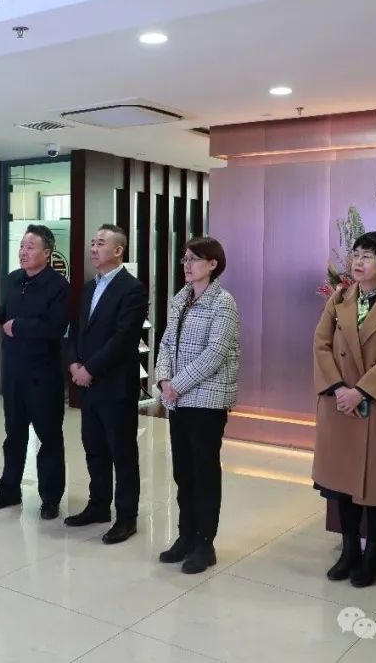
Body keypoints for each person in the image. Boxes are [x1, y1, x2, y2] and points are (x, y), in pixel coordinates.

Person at [312, 232, 376, 587]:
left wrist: (361, 392)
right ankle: (349, 551)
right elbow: (321, 344)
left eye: (367, 256)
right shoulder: (340, 296)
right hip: (340, 404)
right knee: (342, 484)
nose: (358, 261)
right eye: (356, 254)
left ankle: (373, 555)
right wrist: (340, 389)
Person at [155, 237, 241, 574]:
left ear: (213, 264)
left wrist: (176, 384)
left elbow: (215, 353)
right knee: (183, 471)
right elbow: (166, 343)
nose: (187, 265)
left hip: (206, 399)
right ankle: (186, 536)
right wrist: (164, 379)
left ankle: (205, 543)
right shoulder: (181, 299)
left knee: (204, 472)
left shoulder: (223, 302)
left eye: (194, 259)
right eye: (185, 259)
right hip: (178, 399)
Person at [0, 224, 70, 520]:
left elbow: (56, 326)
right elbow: (7, 309)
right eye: (21, 246)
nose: (23, 252)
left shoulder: (58, 286)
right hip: (13, 372)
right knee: (13, 435)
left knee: (48, 437)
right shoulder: (13, 279)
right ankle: (9, 490)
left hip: (44, 375)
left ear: (47, 252)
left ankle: (50, 498)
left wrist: (18, 326)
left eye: (30, 247)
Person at [65, 225, 149, 544]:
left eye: (100, 243)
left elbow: (124, 338)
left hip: (115, 384)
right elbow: (77, 330)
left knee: (122, 452)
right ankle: (98, 505)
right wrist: (74, 363)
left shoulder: (132, 289)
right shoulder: (89, 287)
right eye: (92, 243)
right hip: (87, 383)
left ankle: (127, 516)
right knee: (94, 447)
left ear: (118, 250)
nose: (93, 248)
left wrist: (91, 368)